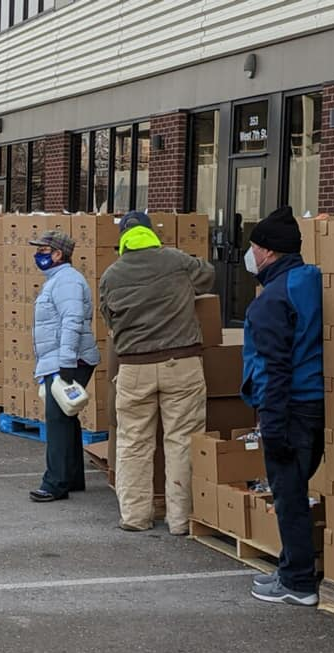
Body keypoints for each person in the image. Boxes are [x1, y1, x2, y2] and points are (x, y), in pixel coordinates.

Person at [99, 211, 215, 535]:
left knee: (133, 442)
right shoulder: (176, 261)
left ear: (122, 239)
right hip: (182, 363)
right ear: (151, 234)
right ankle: (180, 520)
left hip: (134, 367)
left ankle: (135, 516)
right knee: (181, 441)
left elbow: (109, 318)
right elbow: (207, 276)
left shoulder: (111, 275)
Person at [242, 207, 324, 607]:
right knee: (297, 488)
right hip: (314, 401)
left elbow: (273, 369)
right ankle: (293, 566)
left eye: (254, 247)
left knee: (288, 493)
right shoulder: (310, 281)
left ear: (269, 252)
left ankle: (298, 581)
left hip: (289, 406)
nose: (250, 254)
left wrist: (271, 427)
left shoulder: (271, 300)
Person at [28, 230, 101, 503]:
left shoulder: (67, 281)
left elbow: (72, 321)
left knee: (57, 420)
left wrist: (66, 363)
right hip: (62, 359)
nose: (38, 255)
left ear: (58, 254)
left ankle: (55, 482)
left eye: (43, 251)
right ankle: (71, 476)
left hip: (68, 360)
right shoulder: (58, 280)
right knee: (66, 417)